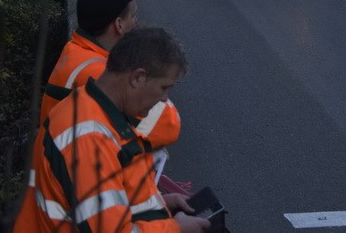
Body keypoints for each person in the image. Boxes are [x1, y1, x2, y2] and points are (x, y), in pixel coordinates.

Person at [14, 27, 210, 231]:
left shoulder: (90, 109)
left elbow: (104, 201)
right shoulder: (88, 140)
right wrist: (175, 229)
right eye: (164, 87)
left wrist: (162, 203)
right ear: (137, 78)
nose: (164, 98)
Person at [39, 0, 181, 149]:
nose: (136, 22)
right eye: (133, 16)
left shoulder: (76, 51)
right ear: (119, 24)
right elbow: (168, 124)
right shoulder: (97, 73)